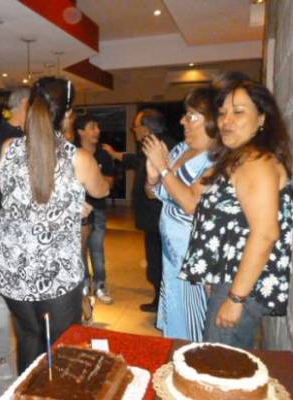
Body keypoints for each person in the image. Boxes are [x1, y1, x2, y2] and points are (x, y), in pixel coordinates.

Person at [0, 77, 110, 373]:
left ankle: (29, 390)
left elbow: (17, 195)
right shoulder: (79, 158)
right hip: (54, 270)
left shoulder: (8, 147)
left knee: (29, 335)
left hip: (10, 265)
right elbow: (102, 190)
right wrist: (74, 203)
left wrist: (68, 205)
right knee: (62, 345)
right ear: (67, 115)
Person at [180, 79, 292, 348]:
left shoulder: (256, 162)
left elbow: (265, 234)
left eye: (239, 112)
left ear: (262, 118)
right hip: (232, 281)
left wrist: (235, 298)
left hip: (241, 287)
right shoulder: (240, 159)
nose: (226, 121)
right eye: (222, 113)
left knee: (220, 371)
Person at [143, 88, 217, 341]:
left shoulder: (217, 159)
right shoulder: (180, 148)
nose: (182, 121)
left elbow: (190, 204)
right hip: (172, 251)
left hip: (194, 254)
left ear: (212, 120)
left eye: (191, 116)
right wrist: (153, 178)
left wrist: (163, 168)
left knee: (195, 325)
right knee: (175, 318)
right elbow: (156, 194)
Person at [103, 109, 175, 312]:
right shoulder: (157, 144)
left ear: (146, 127)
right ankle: (160, 300)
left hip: (159, 217)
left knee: (159, 260)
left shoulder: (161, 146)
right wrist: (115, 154)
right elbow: (138, 161)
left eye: (135, 126)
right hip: (155, 217)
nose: (133, 130)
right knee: (156, 260)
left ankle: (163, 303)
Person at [0, 86, 30, 380]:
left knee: (28, 300)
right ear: (24, 104)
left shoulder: (34, 136)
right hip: (2, 225)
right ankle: (0, 356)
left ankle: (31, 353)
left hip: (33, 229)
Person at [75, 114, 115, 304]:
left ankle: (100, 285)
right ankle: (83, 285)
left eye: (98, 127)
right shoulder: (73, 152)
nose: (97, 131)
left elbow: (108, 183)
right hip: (76, 211)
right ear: (80, 131)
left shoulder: (103, 154)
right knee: (79, 251)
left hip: (97, 209)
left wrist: (91, 173)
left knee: (97, 250)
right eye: (91, 126)